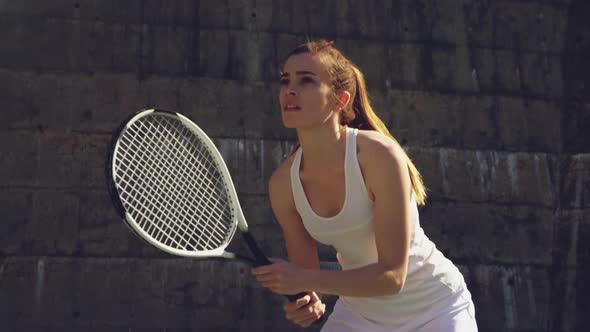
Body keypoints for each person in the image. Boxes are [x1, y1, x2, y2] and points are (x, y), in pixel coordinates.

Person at [251, 39, 478, 331]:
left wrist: (303, 279)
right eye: (285, 80)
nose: (289, 90)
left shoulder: (378, 156)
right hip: (360, 316)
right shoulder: (283, 185)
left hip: (435, 310)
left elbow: (392, 277)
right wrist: (307, 301)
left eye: (306, 80)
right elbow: (308, 280)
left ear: (340, 100)